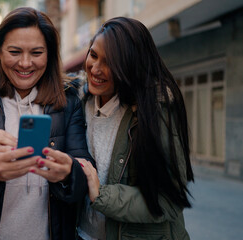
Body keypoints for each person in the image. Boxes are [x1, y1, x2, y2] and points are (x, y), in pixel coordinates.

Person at [0, 7, 94, 240]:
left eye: (36, 53)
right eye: (14, 51)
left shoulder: (69, 100)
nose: (25, 63)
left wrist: (69, 173)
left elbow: (84, 180)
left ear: (50, 55)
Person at [75, 17, 194, 240]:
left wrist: (101, 195)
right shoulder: (78, 100)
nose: (96, 68)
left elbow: (168, 201)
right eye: (93, 55)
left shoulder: (155, 112)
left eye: (110, 62)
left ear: (130, 66)